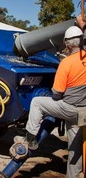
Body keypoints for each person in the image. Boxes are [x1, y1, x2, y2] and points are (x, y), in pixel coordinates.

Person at [19, 25, 86, 178]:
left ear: (67, 43)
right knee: (75, 149)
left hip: (70, 109)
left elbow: (56, 94)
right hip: (83, 112)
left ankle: (30, 138)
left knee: (37, 102)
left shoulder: (66, 63)